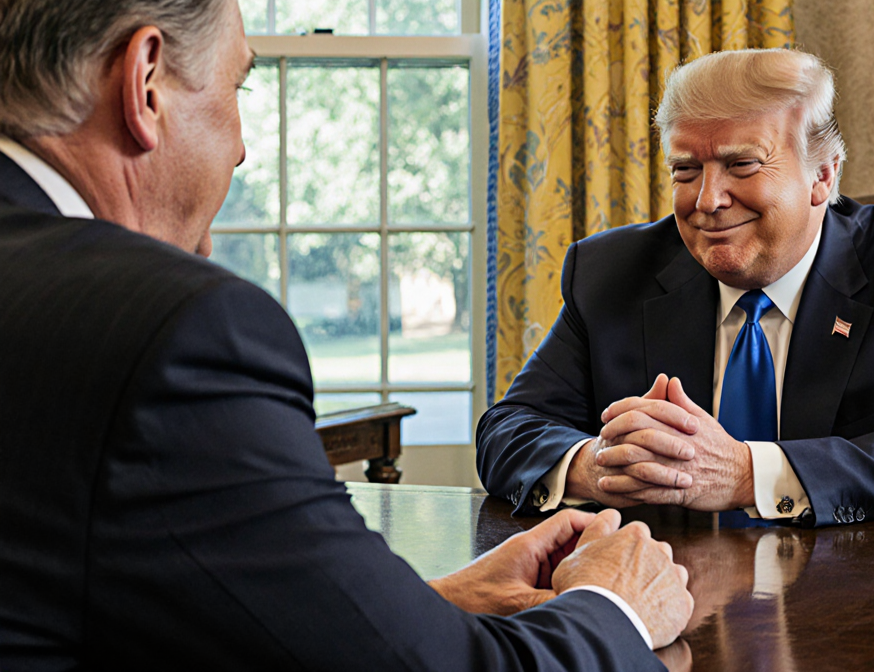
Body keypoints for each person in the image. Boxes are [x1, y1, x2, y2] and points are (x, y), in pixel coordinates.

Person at [0, 1, 692, 669]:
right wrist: (613, 606)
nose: (241, 149)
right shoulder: (171, 328)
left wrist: (417, 610)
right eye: (239, 84)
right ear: (146, 82)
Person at [477, 48, 874, 528]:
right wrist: (601, 465)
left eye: (741, 164)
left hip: (852, 599)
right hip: (664, 596)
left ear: (822, 175)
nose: (707, 199)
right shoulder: (610, 273)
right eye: (685, 170)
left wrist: (747, 473)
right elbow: (507, 430)